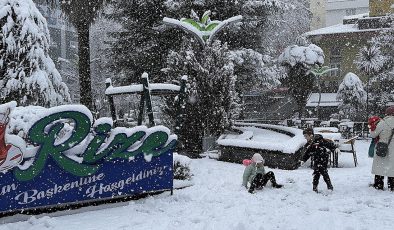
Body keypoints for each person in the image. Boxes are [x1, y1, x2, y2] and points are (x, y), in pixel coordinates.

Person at [301, 128, 336, 193]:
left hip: (323, 159)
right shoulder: (311, 143)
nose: (305, 138)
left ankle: (329, 186)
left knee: (324, 173)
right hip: (317, 160)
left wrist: (334, 148)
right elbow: (308, 152)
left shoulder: (319, 140)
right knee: (316, 174)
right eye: (304, 136)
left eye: (306, 136)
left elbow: (328, 144)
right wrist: (303, 159)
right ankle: (315, 188)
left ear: (311, 135)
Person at [369, 106, 394, 191]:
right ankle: (392, 185)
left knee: (380, 166)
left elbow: (373, 135)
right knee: (392, 167)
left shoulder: (382, 122)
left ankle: (379, 184)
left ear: (387, 113)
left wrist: (372, 128)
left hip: (383, 146)